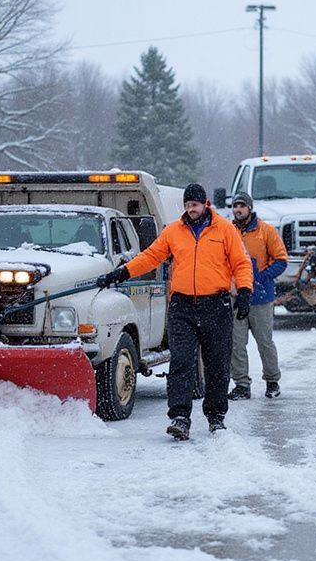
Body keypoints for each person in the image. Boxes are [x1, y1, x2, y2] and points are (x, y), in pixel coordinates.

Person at [101, 183, 253, 440]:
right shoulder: (174, 231)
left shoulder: (225, 230)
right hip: (182, 306)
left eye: (194, 205)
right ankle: (180, 417)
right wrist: (123, 272)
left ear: (205, 204)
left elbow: (241, 262)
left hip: (216, 305)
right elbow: (150, 256)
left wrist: (246, 291)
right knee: (182, 362)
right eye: (186, 205)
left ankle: (216, 416)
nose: (190, 210)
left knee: (216, 364)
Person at [227, 191, 288, 400]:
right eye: (235, 206)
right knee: (236, 343)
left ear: (250, 208)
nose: (238, 210)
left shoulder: (266, 231)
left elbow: (281, 260)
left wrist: (260, 279)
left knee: (265, 342)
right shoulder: (227, 230)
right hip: (235, 297)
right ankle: (242, 384)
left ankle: (272, 381)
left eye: (242, 206)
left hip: (261, 298)